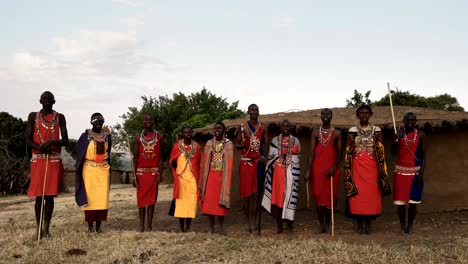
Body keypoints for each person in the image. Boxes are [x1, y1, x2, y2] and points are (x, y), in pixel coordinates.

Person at [26, 91, 69, 240]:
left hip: (53, 160)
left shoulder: (60, 117)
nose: (47, 100)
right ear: (40, 101)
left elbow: (66, 140)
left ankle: (46, 228)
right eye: (45, 98)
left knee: (49, 196)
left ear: (54, 101)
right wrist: (40, 148)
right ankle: (37, 229)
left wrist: (52, 143)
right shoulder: (33, 116)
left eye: (50, 98)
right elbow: (28, 139)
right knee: (39, 196)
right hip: (38, 159)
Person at [343, 105, 391, 234]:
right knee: (357, 196)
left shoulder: (377, 130)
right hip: (357, 167)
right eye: (361, 113)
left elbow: (380, 149)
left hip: (372, 167)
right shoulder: (352, 130)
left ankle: (368, 225)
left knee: (370, 195)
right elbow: (349, 151)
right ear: (358, 115)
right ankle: (359, 225)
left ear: (370, 115)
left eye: (366, 113)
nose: (364, 115)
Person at [305, 108, 342, 233]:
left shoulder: (337, 133)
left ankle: (327, 222)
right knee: (317, 196)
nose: (325, 116)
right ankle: (321, 224)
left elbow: (340, 154)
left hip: (331, 169)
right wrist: (308, 170)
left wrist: (333, 167)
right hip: (317, 169)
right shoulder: (315, 132)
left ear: (331, 116)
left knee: (330, 197)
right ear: (321, 116)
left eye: (328, 114)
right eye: (323, 114)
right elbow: (311, 153)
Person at [261, 119, 301, 234]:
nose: (285, 128)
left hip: (291, 172)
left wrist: (289, 159)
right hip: (277, 173)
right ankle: (279, 224)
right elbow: (271, 156)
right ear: (280, 127)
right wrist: (278, 159)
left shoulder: (296, 141)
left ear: (290, 127)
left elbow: (297, 156)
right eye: (283, 126)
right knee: (278, 198)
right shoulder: (275, 140)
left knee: (289, 196)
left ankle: (289, 224)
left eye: (287, 126)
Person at [75, 113, 112, 233]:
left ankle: (98, 226)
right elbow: (80, 153)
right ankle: (90, 227)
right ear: (91, 122)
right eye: (96, 121)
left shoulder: (107, 137)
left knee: (102, 198)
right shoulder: (85, 137)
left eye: (101, 121)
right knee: (91, 200)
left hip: (103, 170)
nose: (98, 123)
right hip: (89, 170)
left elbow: (109, 151)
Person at [235, 104, 268, 233]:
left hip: (257, 164)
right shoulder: (242, 127)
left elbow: (265, 144)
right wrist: (241, 145)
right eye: (252, 109)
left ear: (259, 112)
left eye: (256, 109)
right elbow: (237, 144)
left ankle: (253, 221)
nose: (254, 111)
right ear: (248, 111)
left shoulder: (263, 127)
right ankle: (246, 221)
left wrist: (264, 156)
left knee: (255, 194)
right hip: (246, 163)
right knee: (246, 195)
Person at [391, 112, 425, 234]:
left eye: (412, 120)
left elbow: (423, 156)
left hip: (415, 172)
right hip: (400, 172)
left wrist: (421, 172)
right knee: (400, 203)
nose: (410, 122)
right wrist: (395, 141)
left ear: (415, 122)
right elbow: (393, 153)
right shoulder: (399, 134)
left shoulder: (420, 135)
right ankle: (402, 225)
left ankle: (409, 226)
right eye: (408, 120)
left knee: (413, 202)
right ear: (404, 121)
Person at [200, 122, 234, 234]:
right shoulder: (209, 143)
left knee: (220, 205)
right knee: (210, 203)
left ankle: (220, 228)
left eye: (219, 128)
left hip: (222, 177)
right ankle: (211, 228)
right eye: (215, 128)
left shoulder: (228, 144)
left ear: (224, 130)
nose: (217, 130)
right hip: (211, 176)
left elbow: (230, 161)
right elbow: (205, 161)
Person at [132, 113, 163, 232]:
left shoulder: (159, 136)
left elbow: (160, 157)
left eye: (150, 120)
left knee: (151, 201)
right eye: (146, 120)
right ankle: (141, 226)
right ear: (143, 122)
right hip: (141, 173)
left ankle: (149, 226)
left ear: (153, 122)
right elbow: (135, 157)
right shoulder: (137, 137)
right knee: (141, 200)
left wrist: (160, 173)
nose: (148, 122)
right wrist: (134, 176)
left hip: (154, 173)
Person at [168, 125, 201, 232]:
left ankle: (188, 227)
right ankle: (182, 228)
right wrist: (176, 173)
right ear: (182, 134)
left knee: (191, 204)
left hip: (192, 180)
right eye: (185, 132)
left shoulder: (197, 147)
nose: (188, 134)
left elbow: (199, 163)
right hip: (181, 179)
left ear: (192, 133)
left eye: (189, 132)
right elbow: (172, 161)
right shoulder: (177, 146)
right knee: (181, 205)